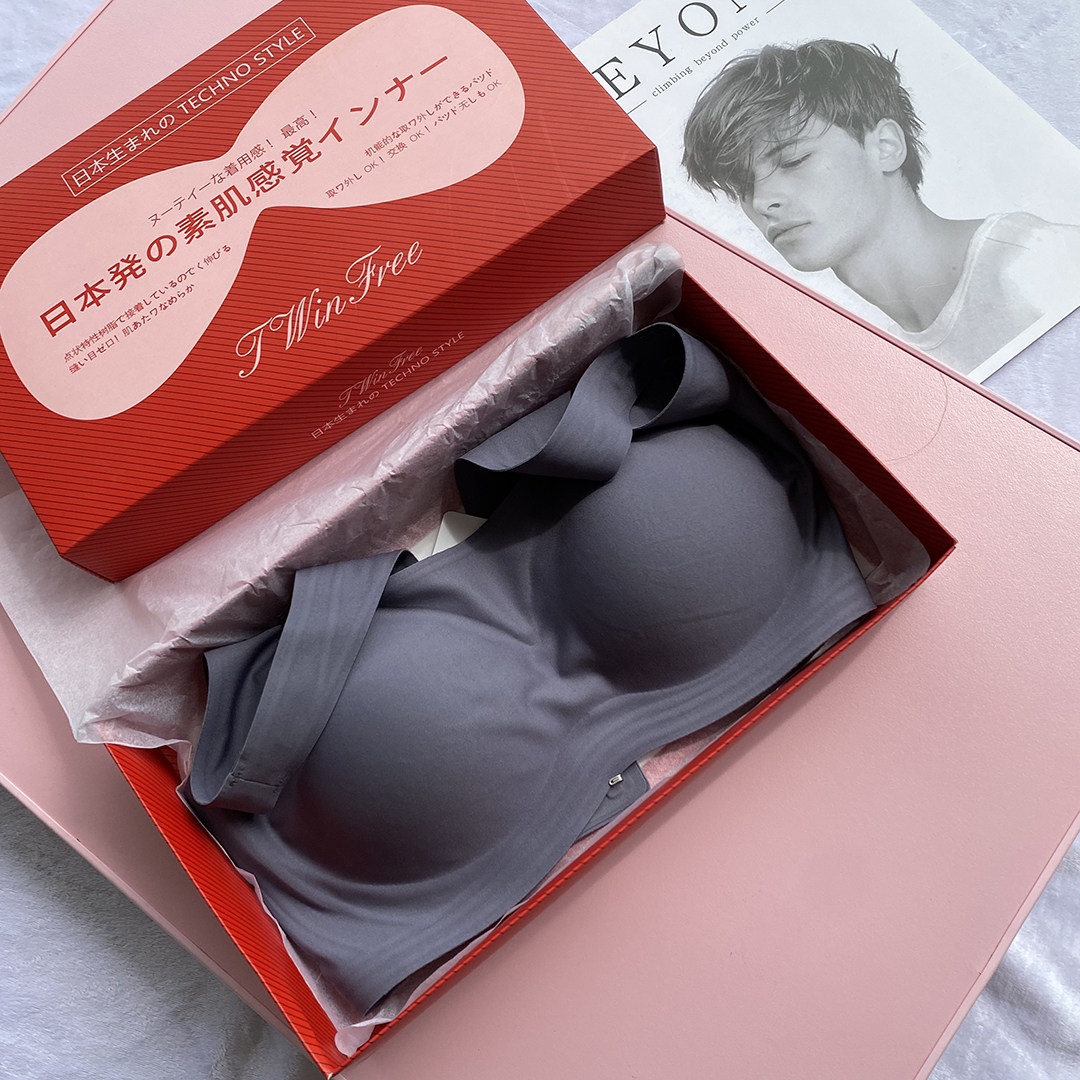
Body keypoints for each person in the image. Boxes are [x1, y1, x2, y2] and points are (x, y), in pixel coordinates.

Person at [682, 39, 1080, 375]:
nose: (761, 201)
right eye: (743, 186)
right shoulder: (879, 360)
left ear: (885, 147)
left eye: (793, 160)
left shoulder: (1040, 264)